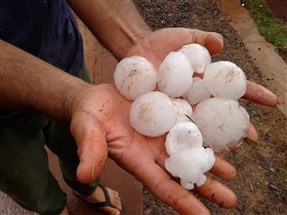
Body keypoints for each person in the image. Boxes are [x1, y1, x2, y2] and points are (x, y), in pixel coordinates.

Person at [0, 1, 277, 215]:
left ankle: (86, 188)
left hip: (60, 48)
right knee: (27, 180)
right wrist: (68, 96)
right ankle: (51, 207)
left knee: (77, 147)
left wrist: (135, 38)